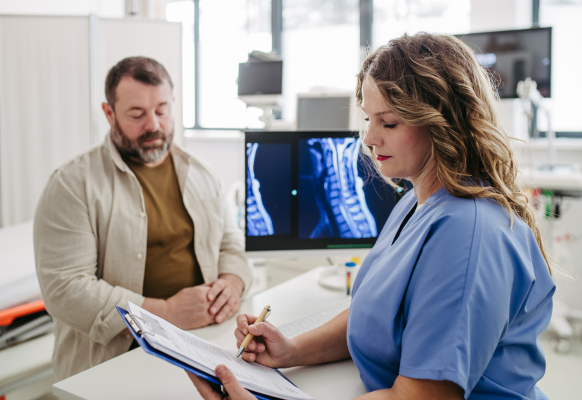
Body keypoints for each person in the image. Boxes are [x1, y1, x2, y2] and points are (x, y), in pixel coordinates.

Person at [188, 33, 555, 400]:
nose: (369, 138)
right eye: (368, 118)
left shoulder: (468, 234)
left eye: (389, 123)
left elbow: (419, 398)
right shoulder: (416, 203)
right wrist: (292, 350)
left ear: (443, 121)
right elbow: (379, 314)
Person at [34, 56, 252, 381]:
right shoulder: (72, 184)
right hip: (115, 361)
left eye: (162, 110)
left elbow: (231, 247)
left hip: (200, 346)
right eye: (137, 114)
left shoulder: (201, 173)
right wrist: (163, 314)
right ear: (109, 114)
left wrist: (232, 283)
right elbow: (66, 288)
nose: (153, 125)